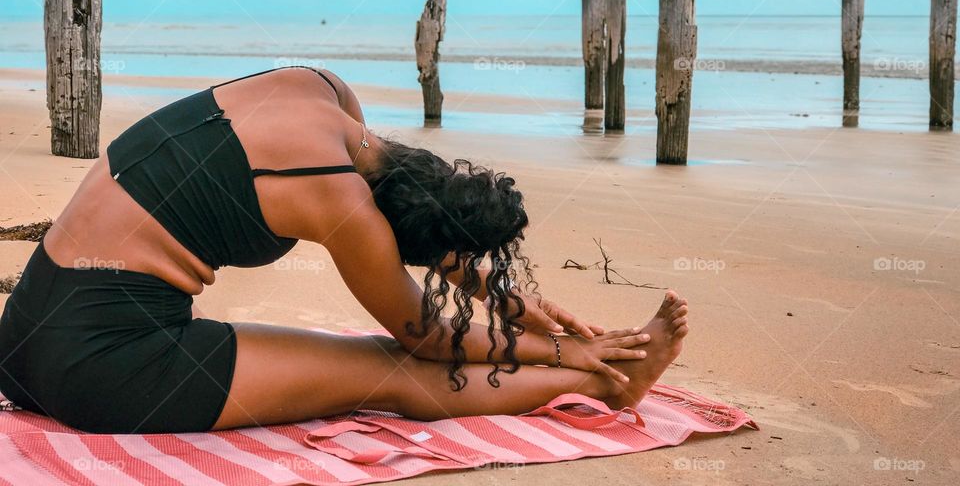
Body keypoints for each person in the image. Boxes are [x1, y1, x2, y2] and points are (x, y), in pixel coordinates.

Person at [0, 66, 688, 434]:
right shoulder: (339, 203)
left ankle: (595, 371)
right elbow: (428, 341)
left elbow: (403, 215)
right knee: (389, 371)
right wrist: (561, 351)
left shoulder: (323, 89)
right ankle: (604, 382)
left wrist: (503, 298)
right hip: (102, 371)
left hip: (25, 339)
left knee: (372, 355)